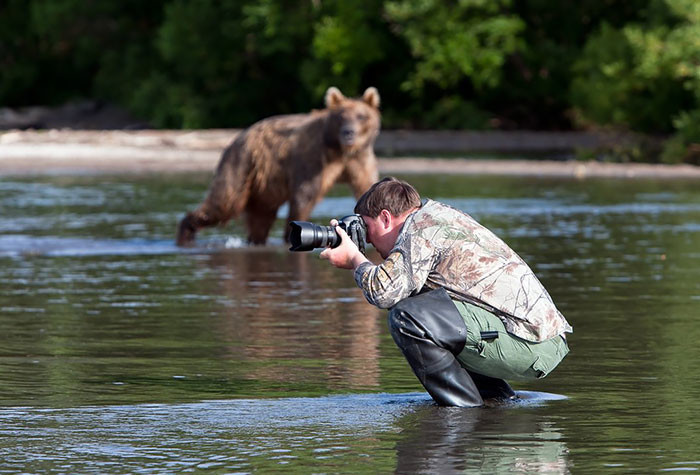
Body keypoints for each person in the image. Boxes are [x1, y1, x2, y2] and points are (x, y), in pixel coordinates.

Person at [320, 177, 572, 407]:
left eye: (366, 228)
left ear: (386, 218)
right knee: (423, 308)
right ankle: (495, 401)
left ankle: (464, 411)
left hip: (531, 341)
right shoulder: (435, 216)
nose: (368, 240)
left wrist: (354, 258)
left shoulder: (420, 228)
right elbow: (398, 289)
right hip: (536, 339)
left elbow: (383, 292)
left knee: (407, 317)